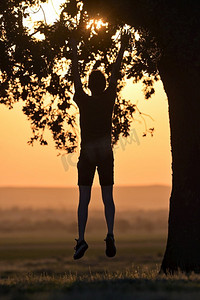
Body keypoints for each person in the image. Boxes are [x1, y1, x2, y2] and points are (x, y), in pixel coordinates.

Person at [70, 34, 129, 260]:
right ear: (104, 85)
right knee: (108, 197)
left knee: (83, 198)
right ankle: (111, 234)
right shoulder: (108, 99)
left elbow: (75, 73)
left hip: (87, 153)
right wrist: (122, 48)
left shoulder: (82, 100)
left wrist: (75, 50)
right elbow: (116, 72)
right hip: (105, 152)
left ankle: (82, 239)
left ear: (88, 86)